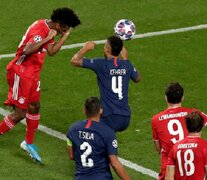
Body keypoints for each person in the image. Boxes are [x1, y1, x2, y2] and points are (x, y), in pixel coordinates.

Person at [0, 7, 81, 162]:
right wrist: (47, 37)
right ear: (58, 25)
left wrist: (64, 37)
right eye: (65, 28)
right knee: (19, 114)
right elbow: (26, 50)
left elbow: (51, 51)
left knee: (35, 106)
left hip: (32, 75)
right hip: (21, 73)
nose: (65, 31)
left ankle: (28, 143)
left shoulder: (51, 28)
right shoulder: (40, 29)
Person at [70, 35, 141, 132]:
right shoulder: (126, 64)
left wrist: (85, 48)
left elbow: (75, 60)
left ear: (107, 49)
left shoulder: (101, 64)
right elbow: (137, 78)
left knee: (87, 134)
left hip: (109, 117)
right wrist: (126, 59)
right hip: (125, 117)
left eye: (105, 46)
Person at [151, 82, 207, 180]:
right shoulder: (193, 113)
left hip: (168, 170)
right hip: (191, 168)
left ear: (166, 98)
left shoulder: (156, 119)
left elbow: (158, 148)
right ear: (182, 98)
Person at [66, 97, 131, 180]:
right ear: (101, 110)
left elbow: (71, 156)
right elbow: (114, 163)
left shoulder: (72, 129)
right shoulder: (107, 132)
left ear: (84, 110)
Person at [166, 111, 207, 180]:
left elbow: (169, 177)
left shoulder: (175, 147)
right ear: (201, 126)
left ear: (186, 126)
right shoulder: (205, 146)